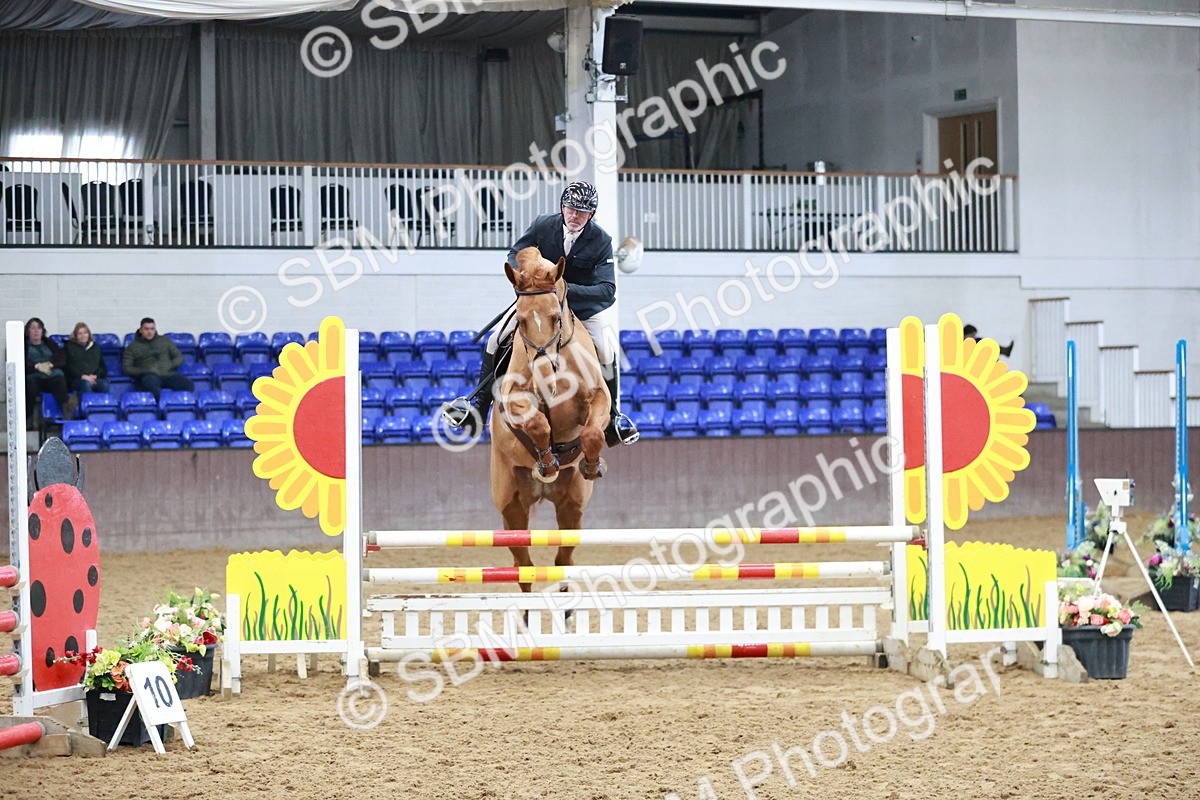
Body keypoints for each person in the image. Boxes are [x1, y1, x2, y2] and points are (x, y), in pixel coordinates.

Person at [445, 181, 638, 446]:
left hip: (581, 310)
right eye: (570, 209)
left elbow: (608, 290)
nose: (574, 216)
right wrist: (525, 280)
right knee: (495, 340)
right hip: (538, 306)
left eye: (581, 212)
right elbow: (516, 253)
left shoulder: (601, 240)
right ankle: (478, 405)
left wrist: (562, 289)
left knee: (606, 349)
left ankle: (613, 417)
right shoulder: (542, 225)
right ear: (562, 206)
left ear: (591, 214)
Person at [121, 317, 194, 397]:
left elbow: (179, 357)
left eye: (152, 329)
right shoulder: (132, 347)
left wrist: (170, 365)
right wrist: (145, 370)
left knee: (188, 384)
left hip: (168, 373)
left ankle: (179, 406)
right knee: (151, 386)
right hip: (149, 376)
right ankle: (164, 406)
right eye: (146, 329)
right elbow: (127, 368)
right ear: (141, 330)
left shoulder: (164, 341)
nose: (150, 332)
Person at [24, 317, 74, 424]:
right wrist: (36, 366)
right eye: (33, 328)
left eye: (39, 328)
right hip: (34, 376)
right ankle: (27, 418)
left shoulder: (49, 343)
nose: (36, 331)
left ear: (43, 331)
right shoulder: (23, 345)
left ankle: (67, 409)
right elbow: (22, 361)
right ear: (28, 331)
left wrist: (51, 364)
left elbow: (61, 357)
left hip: (51, 374)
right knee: (29, 386)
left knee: (59, 379)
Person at [65, 322, 110, 395]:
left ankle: (102, 406)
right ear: (76, 336)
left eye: (85, 333)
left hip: (94, 378)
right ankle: (86, 405)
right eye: (80, 333)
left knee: (104, 385)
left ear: (89, 334)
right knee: (86, 384)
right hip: (77, 379)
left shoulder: (96, 348)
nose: (83, 336)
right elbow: (69, 367)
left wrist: (95, 376)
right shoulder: (69, 347)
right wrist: (83, 376)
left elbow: (103, 368)